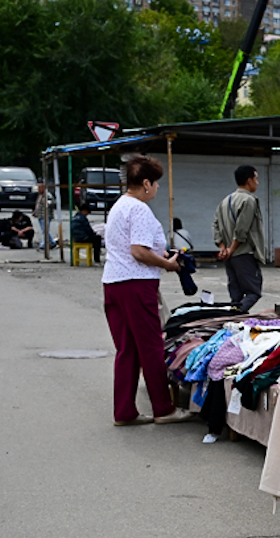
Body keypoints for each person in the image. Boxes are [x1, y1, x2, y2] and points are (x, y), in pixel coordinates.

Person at [102, 155, 194, 426]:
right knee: (151, 346)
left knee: (126, 349)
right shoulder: (140, 209)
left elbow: (131, 246)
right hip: (137, 284)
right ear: (145, 183)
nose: (157, 188)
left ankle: (124, 411)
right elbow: (138, 251)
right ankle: (163, 408)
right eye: (155, 183)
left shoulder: (119, 206)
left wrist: (160, 253)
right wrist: (167, 263)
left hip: (114, 282)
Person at [212, 165, 266, 312]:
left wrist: (223, 248)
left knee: (236, 295)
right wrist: (232, 248)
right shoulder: (249, 200)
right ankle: (235, 314)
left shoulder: (225, 201)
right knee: (253, 291)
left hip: (229, 257)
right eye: (256, 179)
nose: (257, 183)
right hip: (243, 253)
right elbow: (242, 229)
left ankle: (234, 319)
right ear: (249, 180)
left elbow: (215, 225)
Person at [34, 182, 56, 249]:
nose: (38, 189)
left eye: (40, 188)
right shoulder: (40, 195)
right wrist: (35, 212)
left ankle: (44, 244)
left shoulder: (47, 195)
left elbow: (52, 202)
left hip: (46, 215)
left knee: (45, 230)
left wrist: (47, 203)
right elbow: (38, 204)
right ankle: (52, 242)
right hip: (40, 215)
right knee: (44, 230)